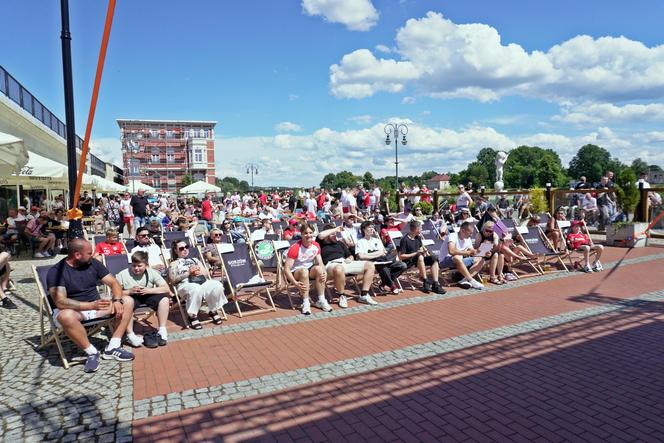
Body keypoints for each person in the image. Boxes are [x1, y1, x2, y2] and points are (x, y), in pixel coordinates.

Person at [46, 238, 134, 373]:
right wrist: (91, 305)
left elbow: (114, 283)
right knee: (66, 316)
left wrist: (116, 300)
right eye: (89, 253)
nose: (92, 255)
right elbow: (60, 302)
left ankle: (113, 347)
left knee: (127, 301)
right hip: (74, 311)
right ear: (77, 255)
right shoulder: (57, 272)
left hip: (96, 307)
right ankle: (92, 352)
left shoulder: (92, 263)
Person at [168, 239, 227, 329]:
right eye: (181, 248)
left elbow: (206, 273)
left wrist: (199, 271)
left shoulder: (194, 260)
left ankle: (213, 310)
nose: (185, 249)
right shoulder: (174, 263)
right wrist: (188, 273)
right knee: (195, 289)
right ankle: (192, 317)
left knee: (217, 285)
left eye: (186, 247)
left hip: (200, 281)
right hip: (185, 284)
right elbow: (173, 280)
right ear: (176, 251)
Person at [116, 251, 171, 348]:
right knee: (127, 302)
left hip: (147, 294)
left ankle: (162, 329)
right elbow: (115, 293)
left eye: (139, 266)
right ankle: (130, 334)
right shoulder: (123, 274)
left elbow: (166, 288)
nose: (136, 268)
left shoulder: (151, 272)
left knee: (164, 299)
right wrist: (129, 291)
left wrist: (149, 290)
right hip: (131, 297)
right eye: (134, 265)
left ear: (146, 265)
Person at [316, 223, 377, 307]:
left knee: (370, 265)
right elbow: (320, 235)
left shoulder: (340, 243)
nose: (335, 236)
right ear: (327, 234)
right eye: (333, 234)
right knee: (339, 268)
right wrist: (335, 229)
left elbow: (350, 255)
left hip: (345, 262)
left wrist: (350, 258)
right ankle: (342, 295)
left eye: (336, 234)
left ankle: (364, 295)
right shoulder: (321, 243)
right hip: (331, 265)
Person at [283, 223, 328, 314]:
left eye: (310, 233)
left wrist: (324, 273)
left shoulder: (316, 245)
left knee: (319, 269)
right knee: (304, 271)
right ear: (301, 234)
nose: (309, 235)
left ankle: (321, 299)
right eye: (306, 233)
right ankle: (306, 302)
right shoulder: (295, 248)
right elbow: (286, 268)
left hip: (308, 269)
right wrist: (295, 283)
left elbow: (320, 263)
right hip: (295, 272)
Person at [355, 221, 407, 294]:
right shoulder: (360, 242)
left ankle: (384, 283)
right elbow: (361, 256)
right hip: (371, 263)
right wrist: (377, 254)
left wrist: (371, 254)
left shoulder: (377, 240)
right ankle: (392, 286)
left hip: (383, 261)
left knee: (403, 265)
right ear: (364, 229)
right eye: (369, 227)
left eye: (372, 227)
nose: (372, 229)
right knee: (384, 269)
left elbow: (383, 253)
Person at [398, 220, 446, 294]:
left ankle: (435, 284)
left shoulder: (418, 238)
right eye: (421, 228)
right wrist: (416, 253)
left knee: (434, 259)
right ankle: (425, 281)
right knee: (420, 256)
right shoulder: (404, 240)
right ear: (416, 229)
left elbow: (419, 249)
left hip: (419, 261)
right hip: (409, 262)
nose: (422, 230)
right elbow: (401, 257)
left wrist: (423, 251)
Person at [439, 221, 485, 289]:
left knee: (481, 259)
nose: (471, 235)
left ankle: (464, 280)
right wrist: (467, 253)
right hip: (445, 262)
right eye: (470, 232)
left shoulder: (468, 239)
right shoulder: (453, 236)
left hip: (459, 262)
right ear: (463, 231)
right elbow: (451, 251)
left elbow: (472, 251)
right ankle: (471, 280)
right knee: (456, 257)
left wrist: (483, 253)